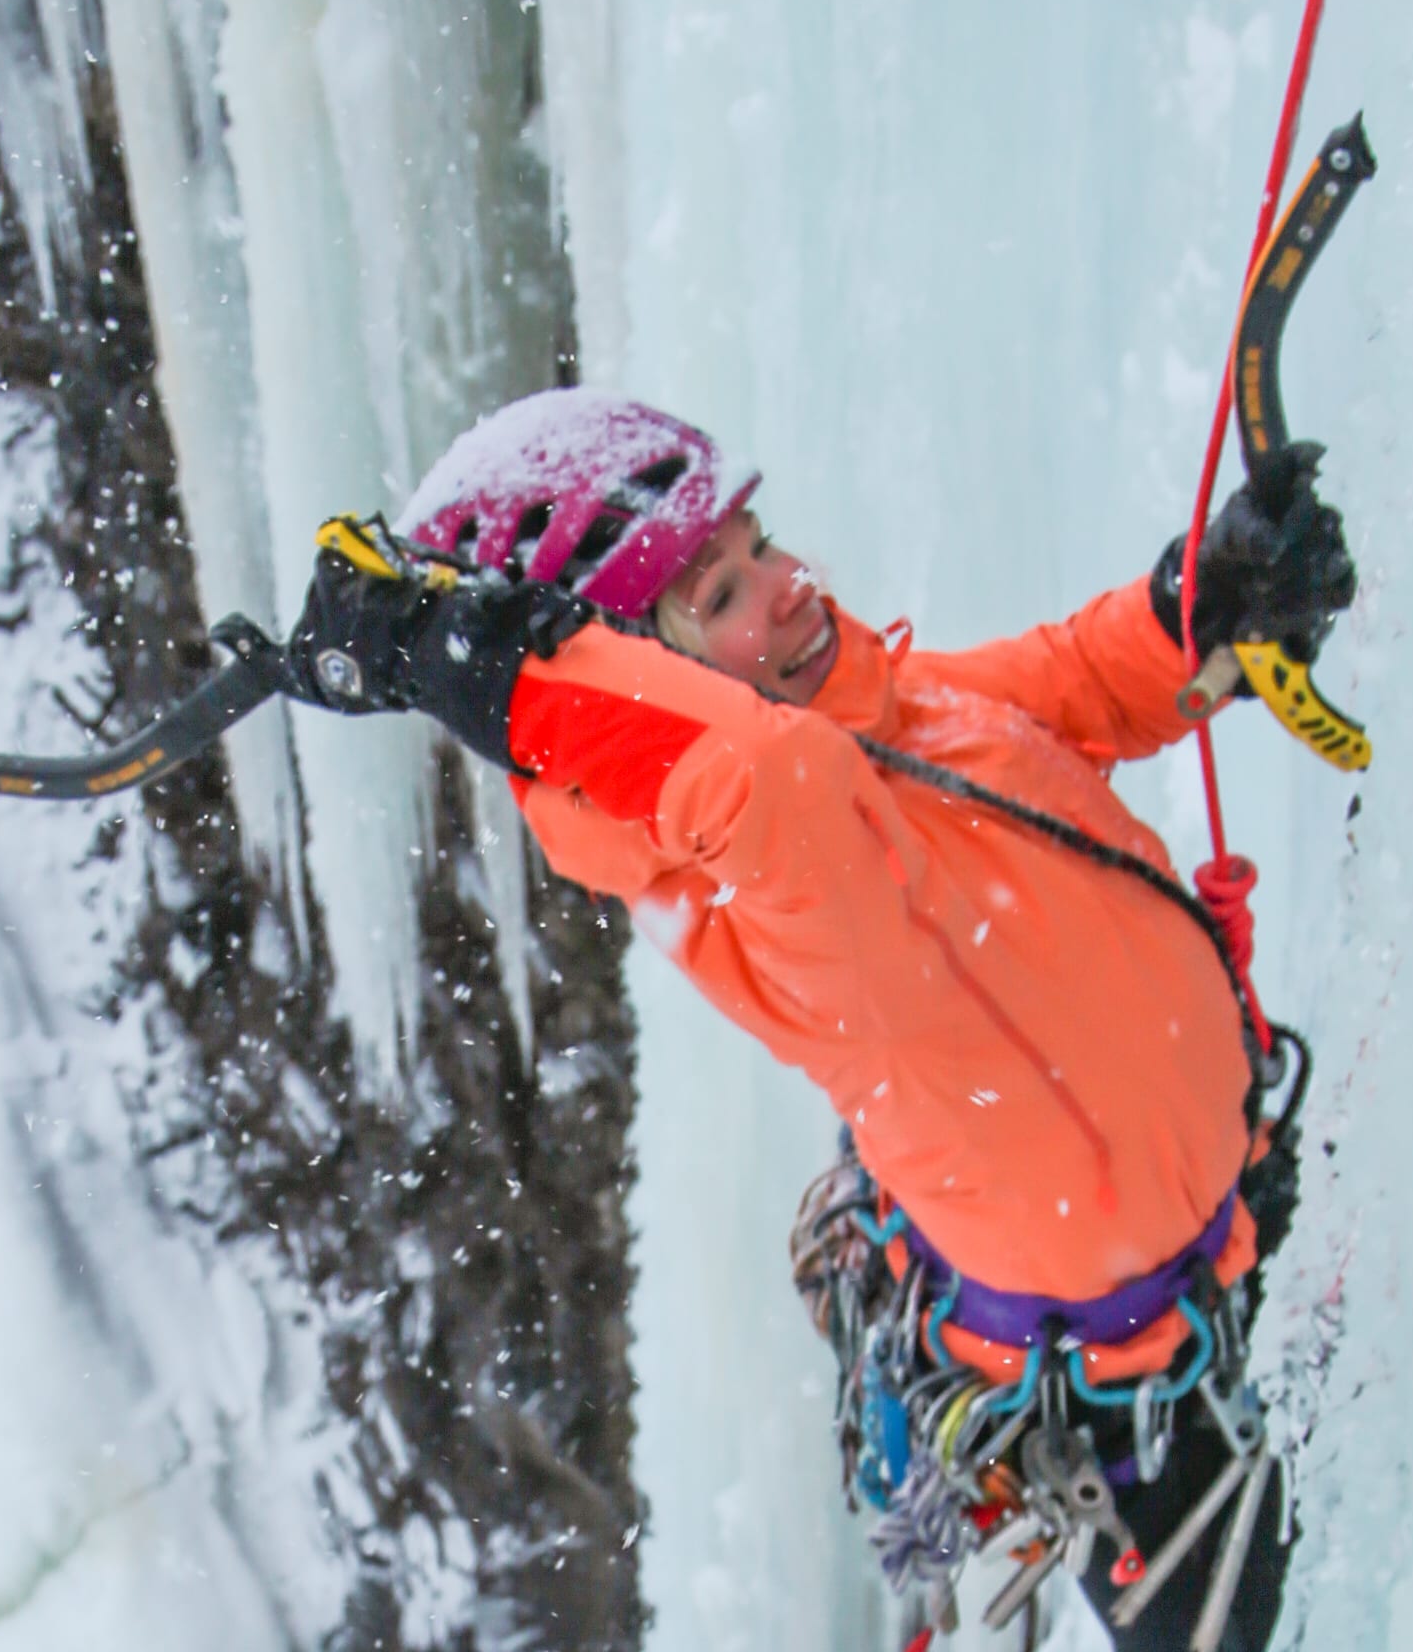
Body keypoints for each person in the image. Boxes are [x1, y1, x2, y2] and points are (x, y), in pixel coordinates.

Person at [279, 388, 1355, 1647]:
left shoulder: (873, 713)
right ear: (643, 678)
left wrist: (1196, 616)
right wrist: (484, 666)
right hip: (1149, 1432)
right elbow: (762, 782)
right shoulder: (782, 892)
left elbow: (1053, 698)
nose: (790, 585)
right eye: (723, 594)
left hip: (1239, 1217)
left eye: (762, 545)